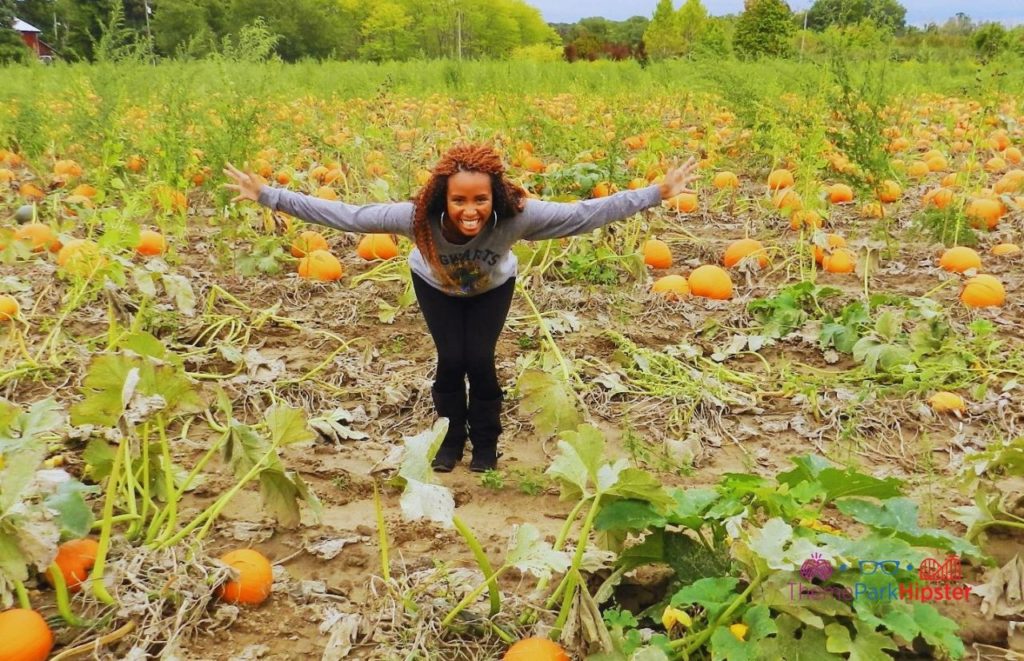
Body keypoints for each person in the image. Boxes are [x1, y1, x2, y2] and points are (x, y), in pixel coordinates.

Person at [223, 143, 697, 473]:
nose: (469, 209)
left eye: (479, 199)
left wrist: (655, 193)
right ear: (442, 199)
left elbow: (582, 215)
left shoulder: (518, 217)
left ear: (495, 197)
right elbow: (346, 215)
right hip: (436, 287)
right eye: (459, 200)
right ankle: (450, 441)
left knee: (480, 360)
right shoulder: (414, 218)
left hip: (492, 288)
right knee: (451, 360)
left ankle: (486, 444)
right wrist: (269, 195)